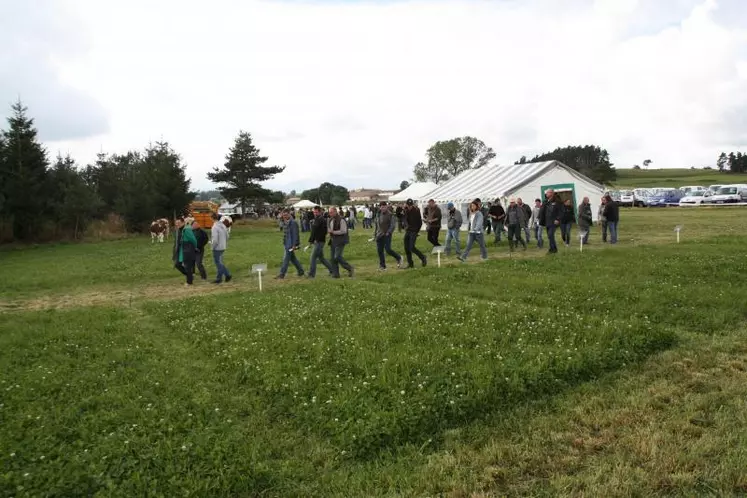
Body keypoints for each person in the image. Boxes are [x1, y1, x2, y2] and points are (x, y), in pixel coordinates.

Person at [275, 209, 305, 279]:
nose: (284, 216)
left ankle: (282, 274)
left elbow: (295, 234)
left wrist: (294, 245)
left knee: (286, 259)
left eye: (286, 215)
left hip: (291, 244)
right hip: (286, 243)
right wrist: (280, 219)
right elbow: (280, 225)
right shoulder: (284, 221)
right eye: (283, 215)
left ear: (289, 214)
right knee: (293, 259)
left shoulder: (293, 222)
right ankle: (301, 271)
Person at [373, 202, 403, 271]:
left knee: (388, 249)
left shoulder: (390, 214)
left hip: (387, 234)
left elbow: (392, 225)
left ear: (386, 207)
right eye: (381, 207)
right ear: (380, 207)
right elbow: (377, 225)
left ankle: (398, 257)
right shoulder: (378, 214)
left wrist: (388, 232)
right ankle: (383, 266)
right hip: (379, 235)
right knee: (380, 251)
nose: (383, 208)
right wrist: (375, 234)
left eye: (384, 207)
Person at [307, 206, 334, 279]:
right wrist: (312, 240)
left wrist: (313, 240)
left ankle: (311, 274)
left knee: (312, 257)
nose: (315, 213)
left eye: (316, 212)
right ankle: (332, 270)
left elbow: (320, 232)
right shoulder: (317, 219)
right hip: (318, 241)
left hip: (319, 242)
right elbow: (315, 231)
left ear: (320, 212)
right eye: (314, 212)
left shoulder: (320, 219)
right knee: (321, 258)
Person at [328, 207, 355, 278]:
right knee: (333, 258)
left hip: (340, 240)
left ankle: (349, 268)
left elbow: (344, 231)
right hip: (333, 240)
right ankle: (336, 274)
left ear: (335, 212)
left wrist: (333, 232)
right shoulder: (330, 220)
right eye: (329, 212)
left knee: (337, 257)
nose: (330, 214)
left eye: (331, 212)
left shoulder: (341, 219)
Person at [403, 198, 427, 268]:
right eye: (408, 205)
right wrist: (405, 225)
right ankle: (410, 263)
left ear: (412, 204)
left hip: (414, 231)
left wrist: (416, 231)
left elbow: (420, 222)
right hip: (408, 230)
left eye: (411, 205)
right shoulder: (406, 210)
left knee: (412, 247)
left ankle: (423, 257)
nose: (410, 206)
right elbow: (405, 219)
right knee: (406, 247)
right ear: (407, 205)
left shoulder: (416, 210)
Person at [210, 212, 232, 284]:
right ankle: (220, 277)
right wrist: (223, 242)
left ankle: (227, 275)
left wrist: (212, 246)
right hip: (223, 246)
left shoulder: (214, 227)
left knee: (218, 263)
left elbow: (215, 239)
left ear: (212, 218)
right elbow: (227, 236)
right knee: (220, 262)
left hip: (217, 248)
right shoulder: (223, 225)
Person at [539, 189, 562, 254]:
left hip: (554, 221)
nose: (546, 194)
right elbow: (542, 211)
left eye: (547, 193)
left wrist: (558, 219)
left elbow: (561, 211)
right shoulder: (545, 201)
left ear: (552, 193)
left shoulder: (557, 201)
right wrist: (540, 218)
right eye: (546, 193)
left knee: (550, 234)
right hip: (547, 221)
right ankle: (554, 249)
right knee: (549, 236)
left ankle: (551, 249)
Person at [177, 217, 198, 285]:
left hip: (188, 249)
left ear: (184, 222)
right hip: (185, 249)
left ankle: (189, 282)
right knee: (187, 266)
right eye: (176, 223)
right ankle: (190, 280)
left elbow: (193, 240)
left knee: (188, 266)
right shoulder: (185, 229)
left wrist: (195, 247)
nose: (177, 224)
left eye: (179, 223)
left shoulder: (187, 229)